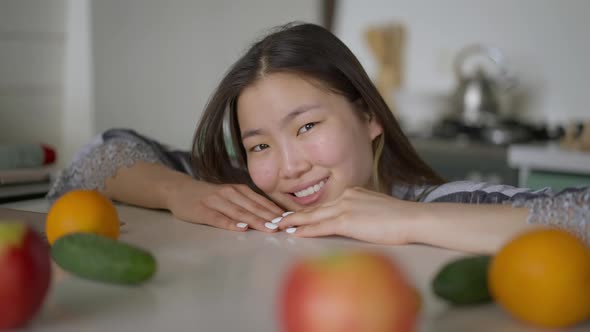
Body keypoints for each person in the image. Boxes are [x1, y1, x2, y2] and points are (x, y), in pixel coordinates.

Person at [47, 22, 589, 253]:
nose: (288, 167)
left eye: (307, 127)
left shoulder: (438, 204)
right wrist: (178, 192)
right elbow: (96, 157)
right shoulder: (250, 197)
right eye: (259, 144)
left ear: (369, 117)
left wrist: (410, 221)